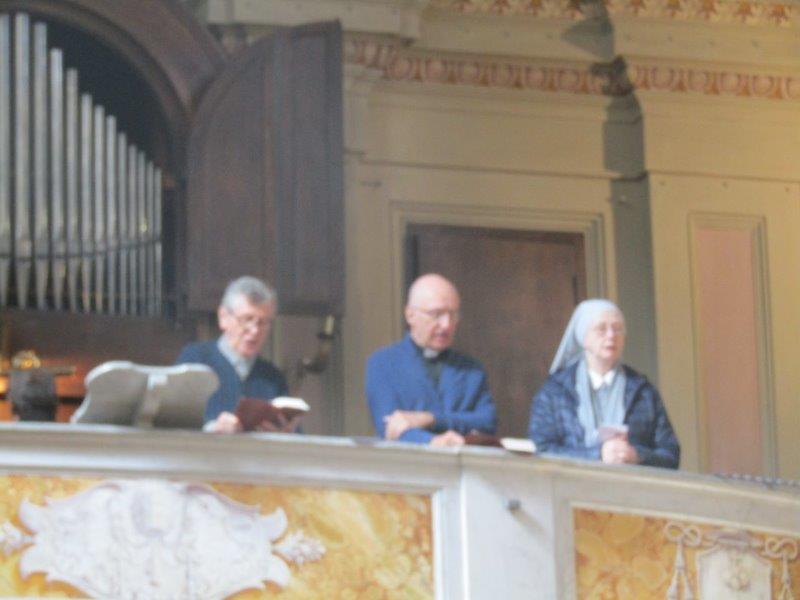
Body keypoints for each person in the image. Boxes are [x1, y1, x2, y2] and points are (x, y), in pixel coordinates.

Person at [528, 299, 679, 468]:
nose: (611, 335)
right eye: (601, 329)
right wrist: (597, 455)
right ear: (583, 337)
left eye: (617, 329)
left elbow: (671, 454)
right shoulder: (555, 391)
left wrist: (636, 455)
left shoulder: (643, 391)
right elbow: (541, 450)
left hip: (630, 484)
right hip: (573, 484)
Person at [365, 273, 497, 447]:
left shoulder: (471, 369)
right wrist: (432, 442)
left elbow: (488, 422)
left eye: (453, 315)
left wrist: (431, 419)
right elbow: (390, 427)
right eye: (437, 314)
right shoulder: (383, 364)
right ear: (410, 315)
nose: (447, 324)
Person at [176, 276, 294, 434]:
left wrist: (285, 436)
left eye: (263, 322)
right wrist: (213, 429)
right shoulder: (196, 360)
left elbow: (295, 436)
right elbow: (171, 423)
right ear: (223, 317)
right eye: (247, 319)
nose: (255, 330)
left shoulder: (272, 377)